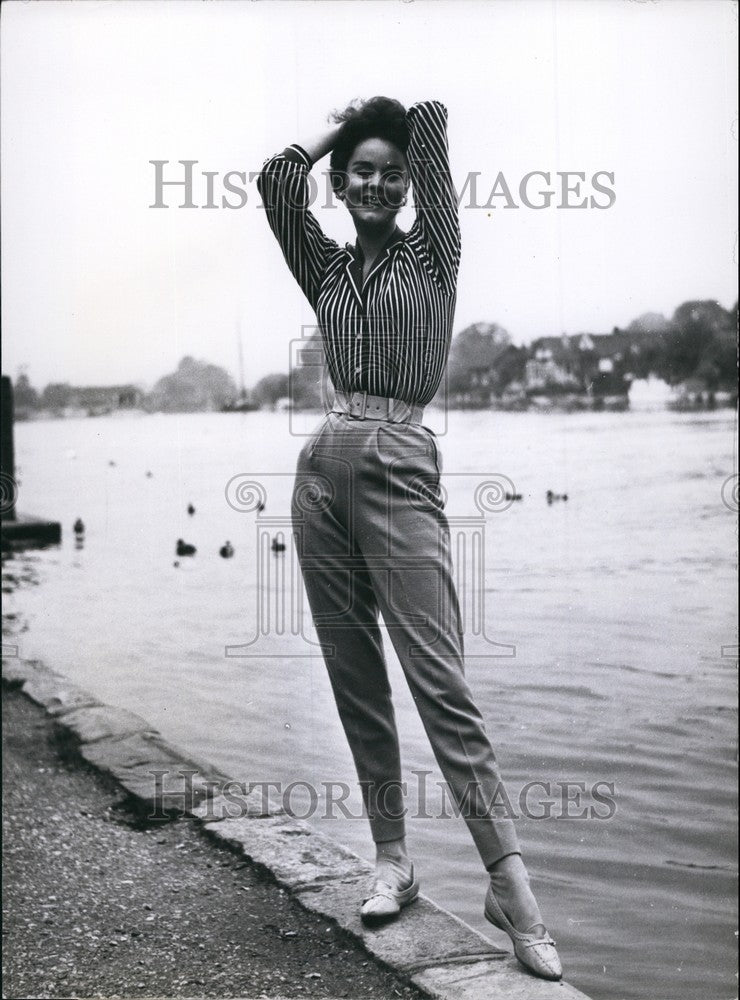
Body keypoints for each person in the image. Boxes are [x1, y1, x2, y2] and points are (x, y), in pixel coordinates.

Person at [257, 97, 562, 982]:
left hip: (400, 459)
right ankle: (392, 856)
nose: (378, 183)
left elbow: (428, 128)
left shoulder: (436, 252)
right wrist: (336, 125)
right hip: (320, 470)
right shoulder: (324, 268)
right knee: (355, 677)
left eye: (390, 172)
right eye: (361, 170)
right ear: (343, 183)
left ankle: (513, 888)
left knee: (441, 682)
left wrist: (382, 117)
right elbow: (277, 183)